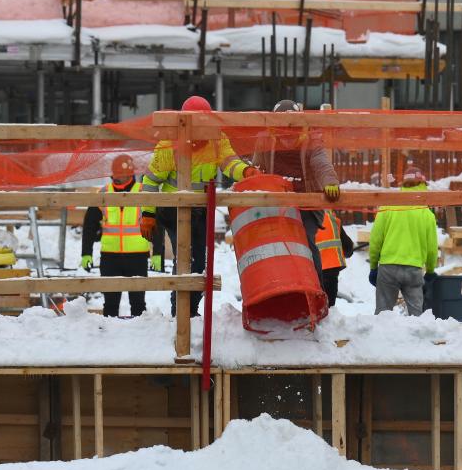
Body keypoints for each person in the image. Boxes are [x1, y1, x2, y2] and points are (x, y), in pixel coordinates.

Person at [141, 95, 257, 315]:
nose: (202, 129)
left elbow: (228, 161)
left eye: (205, 123)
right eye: (197, 124)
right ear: (186, 124)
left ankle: (190, 311)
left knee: (198, 263)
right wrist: (148, 213)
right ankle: (182, 313)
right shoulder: (169, 145)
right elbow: (150, 180)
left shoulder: (216, 139)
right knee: (187, 259)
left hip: (200, 210)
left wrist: (245, 171)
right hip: (172, 208)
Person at [251, 99, 343, 283]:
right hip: (276, 203)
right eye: (282, 128)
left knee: (305, 241)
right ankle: (283, 285)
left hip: (308, 204)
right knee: (277, 245)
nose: (287, 133)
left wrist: (330, 182)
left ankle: (315, 286)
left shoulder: (311, 140)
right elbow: (256, 168)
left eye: (292, 128)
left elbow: (321, 162)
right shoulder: (264, 141)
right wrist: (251, 184)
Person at [81, 154, 153, 318]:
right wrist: (85, 253)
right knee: (110, 304)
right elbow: (89, 225)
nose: (118, 177)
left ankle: (141, 336)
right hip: (110, 257)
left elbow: (158, 223)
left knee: (138, 304)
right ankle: (108, 338)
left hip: (138, 257)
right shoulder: (104, 193)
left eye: (122, 174)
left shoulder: (142, 192)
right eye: (116, 174)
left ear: (131, 173)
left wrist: (158, 254)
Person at [368, 170, 438, 316]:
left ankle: (380, 338)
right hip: (414, 269)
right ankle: (417, 338)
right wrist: (430, 271)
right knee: (417, 316)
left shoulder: (388, 207)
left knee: (383, 315)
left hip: (388, 268)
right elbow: (432, 248)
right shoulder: (426, 213)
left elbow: (375, 240)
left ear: (403, 184)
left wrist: (374, 267)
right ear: (423, 184)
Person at [315, 210, 354, 307]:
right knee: (329, 304)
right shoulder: (332, 219)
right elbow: (348, 246)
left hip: (313, 268)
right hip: (332, 266)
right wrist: (348, 252)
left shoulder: (304, 218)